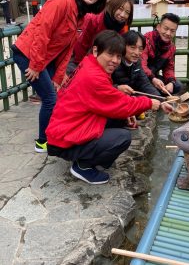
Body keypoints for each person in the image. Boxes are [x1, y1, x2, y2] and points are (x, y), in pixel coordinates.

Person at [46, 30, 168, 185]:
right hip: (64, 140)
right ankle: (82, 167)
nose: (115, 60)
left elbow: (112, 100)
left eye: (118, 56)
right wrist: (150, 103)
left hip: (64, 129)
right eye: (111, 54)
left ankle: (87, 155)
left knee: (120, 119)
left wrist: (130, 108)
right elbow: (121, 103)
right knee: (122, 138)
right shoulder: (94, 76)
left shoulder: (89, 63)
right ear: (96, 50)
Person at [11, 0, 107, 153]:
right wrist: (36, 65)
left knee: (57, 91)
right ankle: (42, 142)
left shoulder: (81, 15)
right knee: (49, 98)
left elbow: (67, 49)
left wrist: (58, 75)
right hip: (27, 53)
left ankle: (54, 133)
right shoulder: (62, 2)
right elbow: (42, 33)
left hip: (44, 57)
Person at [112, 30, 173, 122]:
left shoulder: (136, 63)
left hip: (126, 97)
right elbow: (100, 87)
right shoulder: (113, 63)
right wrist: (117, 88)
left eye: (140, 49)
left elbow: (144, 83)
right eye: (133, 47)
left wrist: (162, 102)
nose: (137, 52)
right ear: (123, 46)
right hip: (112, 100)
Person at [66, 0, 133, 75]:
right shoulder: (94, 20)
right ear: (113, 6)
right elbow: (81, 46)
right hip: (79, 61)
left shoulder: (121, 29)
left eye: (127, 12)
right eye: (120, 9)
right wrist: (81, 67)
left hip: (102, 65)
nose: (123, 15)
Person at [141, 13, 183, 96]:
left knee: (177, 85)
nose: (168, 33)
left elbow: (169, 68)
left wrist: (171, 82)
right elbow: (142, 65)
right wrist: (153, 79)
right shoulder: (146, 40)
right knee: (156, 93)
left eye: (172, 31)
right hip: (142, 76)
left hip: (154, 77)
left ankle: (155, 94)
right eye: (166, 28)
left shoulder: (171, 47)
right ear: (158, 27)